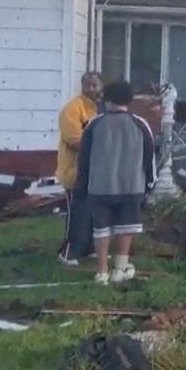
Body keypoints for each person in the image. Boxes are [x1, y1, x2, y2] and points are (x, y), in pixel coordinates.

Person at [74, 80, 155, 285]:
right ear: (129, 100)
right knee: (126, 226)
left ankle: (101, 273)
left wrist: (81, 186)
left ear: (107, 100)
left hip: (100, 188)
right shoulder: (140, 124)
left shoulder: (94, 124)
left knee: (101, 230)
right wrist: (150, 183)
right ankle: (120, 268)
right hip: (131, 186)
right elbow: (149, 157)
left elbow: (83, 159)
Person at [56, 71, 103, 265]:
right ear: (82, 86)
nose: (92, 89)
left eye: (96, 85)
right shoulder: (73, 109)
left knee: (92, 212)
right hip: (73, 170)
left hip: (94, 171)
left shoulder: (100, 108)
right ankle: (68, 251)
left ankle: (87, 248)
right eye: (88, 85)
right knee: (77, 212)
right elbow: (74, 139)